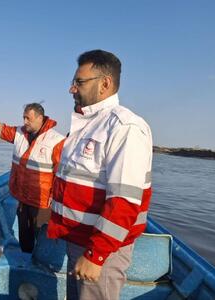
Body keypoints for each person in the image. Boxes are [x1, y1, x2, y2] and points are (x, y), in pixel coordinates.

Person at [47, 50, 153, 299]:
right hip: (78, 240)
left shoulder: (125, 127)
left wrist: (96, 254)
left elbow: (124, 201)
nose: (72, 89)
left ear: (105, 84)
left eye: (79, 82)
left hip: (100, 249)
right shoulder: (84, 126)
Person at [0, 102, 65, 253]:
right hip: (22, 197)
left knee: (42, 237)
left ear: (40, 118)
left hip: (42, 202)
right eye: (23, 118)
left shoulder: (56, 140)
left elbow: (61, 174)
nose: (24, 122)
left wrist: (54, 198)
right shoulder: (18, 133)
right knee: (25, 235)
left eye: (28, 118)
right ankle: (26, 258)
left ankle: (42, 265)